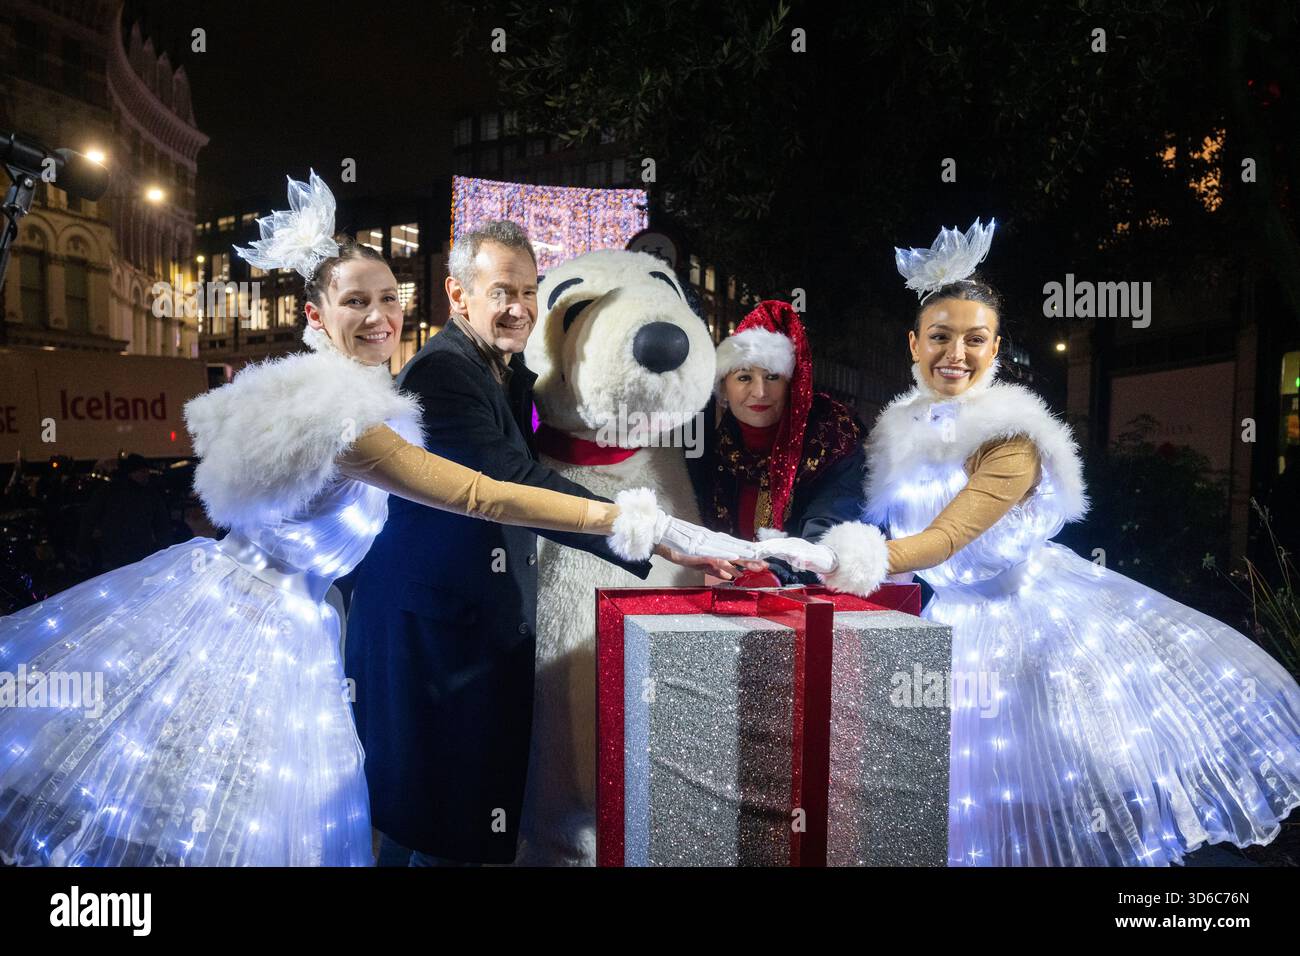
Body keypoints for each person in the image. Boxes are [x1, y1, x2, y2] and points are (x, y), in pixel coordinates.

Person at [0, 172, 753, 867]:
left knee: (292, 824)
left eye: (389, 299)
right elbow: (485, 492)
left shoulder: (384, 388)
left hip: (304, 624)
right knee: (220, 822)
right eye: (355, 302)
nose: (379, 317)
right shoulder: (350, 409)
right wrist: (653, 530)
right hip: (257, 626)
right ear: (315, 314)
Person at [758, 219, 1300, 866]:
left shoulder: (1011, 434)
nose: (955, 353)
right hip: (943, 624)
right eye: (940, 336)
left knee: (1051, 804)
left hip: (1030, 631)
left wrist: (843, 558)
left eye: (974, 339)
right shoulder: (896, 430)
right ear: (914, 343)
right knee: (952, 807)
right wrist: (799, 547)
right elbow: (866, 510)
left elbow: (946, 537)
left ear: (994, 348)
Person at [347, 220, 759, 866]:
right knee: (440, 820)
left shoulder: (501, 369)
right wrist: (647, 532)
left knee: (451, 813)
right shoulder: (444, 374)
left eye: (528, 291)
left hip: (466, 621)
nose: (518, 308)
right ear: (458, 295)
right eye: (500, 292)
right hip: (438, 629)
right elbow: (508, 483)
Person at [691, 300, 866, 583]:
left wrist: (772, 573)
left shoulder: (832, 440)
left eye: (772, 376)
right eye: (744, 377)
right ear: (723, 387)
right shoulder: (714, 449)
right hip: (729, 595)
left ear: (792, 384)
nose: (760, 392)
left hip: (807, 597)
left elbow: (827, 534)